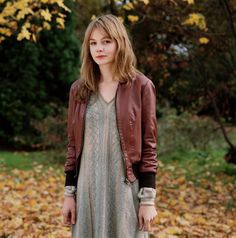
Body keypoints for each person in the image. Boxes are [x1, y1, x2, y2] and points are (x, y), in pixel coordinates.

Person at [61, 14, 159, 238]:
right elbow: (72, 146)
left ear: (119, 43)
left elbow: (149, 146)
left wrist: (148, 200)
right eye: (93, 43)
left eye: (106, 41)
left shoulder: (142, 86)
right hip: (87, 190)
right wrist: (69, 195)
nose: (99, 48)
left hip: (124, 190)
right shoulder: (79, 90)